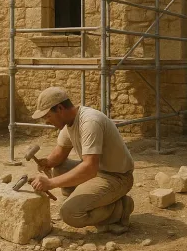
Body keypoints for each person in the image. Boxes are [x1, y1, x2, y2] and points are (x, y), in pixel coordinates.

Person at [28, 86, 135, 229]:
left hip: (116, 177)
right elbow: (60, 152)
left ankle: (120, 208)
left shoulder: (90, 122)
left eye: (47, 116)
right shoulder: (69, 124)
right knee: (60, 167)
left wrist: (50, 183)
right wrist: (47, 162)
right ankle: (87, 201)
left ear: (59, 108)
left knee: (70, 214)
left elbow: (89, 168)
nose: (47, 121)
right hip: (98, 172)